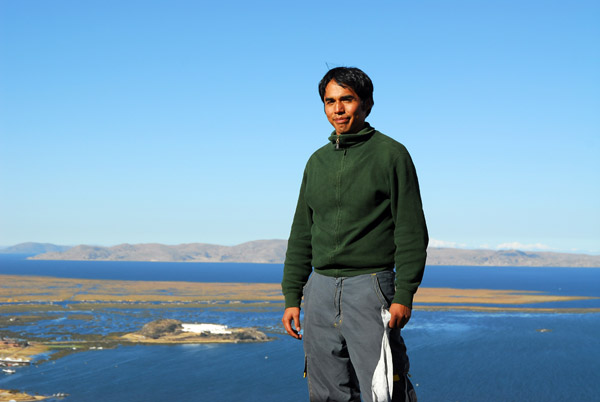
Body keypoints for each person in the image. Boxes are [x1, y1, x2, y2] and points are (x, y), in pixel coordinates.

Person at [281, 67, 428, 402]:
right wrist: (293, 297)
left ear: (366, 104)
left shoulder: (391, 155)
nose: (338, 109)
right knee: (326, 389)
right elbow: (302, 233)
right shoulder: (316, 162)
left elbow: (411, 230)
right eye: (330, 101)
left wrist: (404, 293)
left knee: (384, 389)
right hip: (319, 290)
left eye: (347, 99)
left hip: (371, 287)